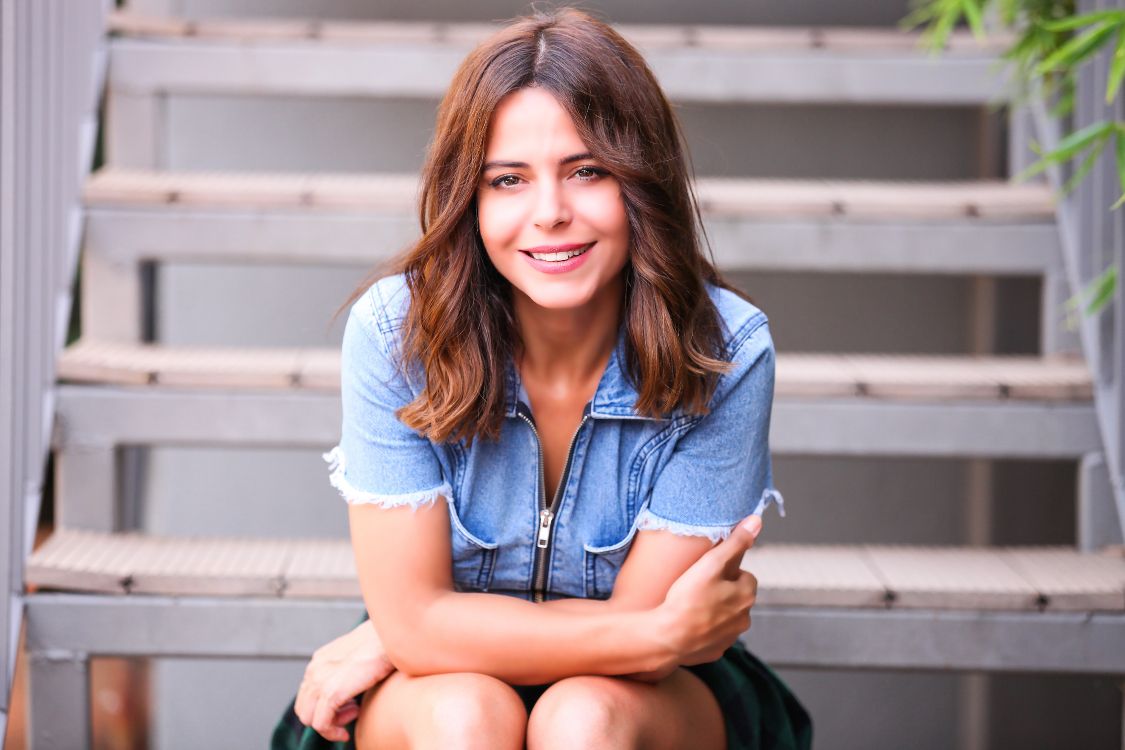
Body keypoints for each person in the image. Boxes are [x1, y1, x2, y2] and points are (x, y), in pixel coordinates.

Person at [272, 8, 811, 749]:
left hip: (646, 694)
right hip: (438, 691)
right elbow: (648, 630)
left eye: (587, 171)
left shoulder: (723, 353)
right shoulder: (398, 335)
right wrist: (409, 636)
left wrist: (416, 630)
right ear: (469, 196)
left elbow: (648, 647)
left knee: (582, 719)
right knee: (466, 716)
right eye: (507, 180)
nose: (550, 213)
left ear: (642, 181)